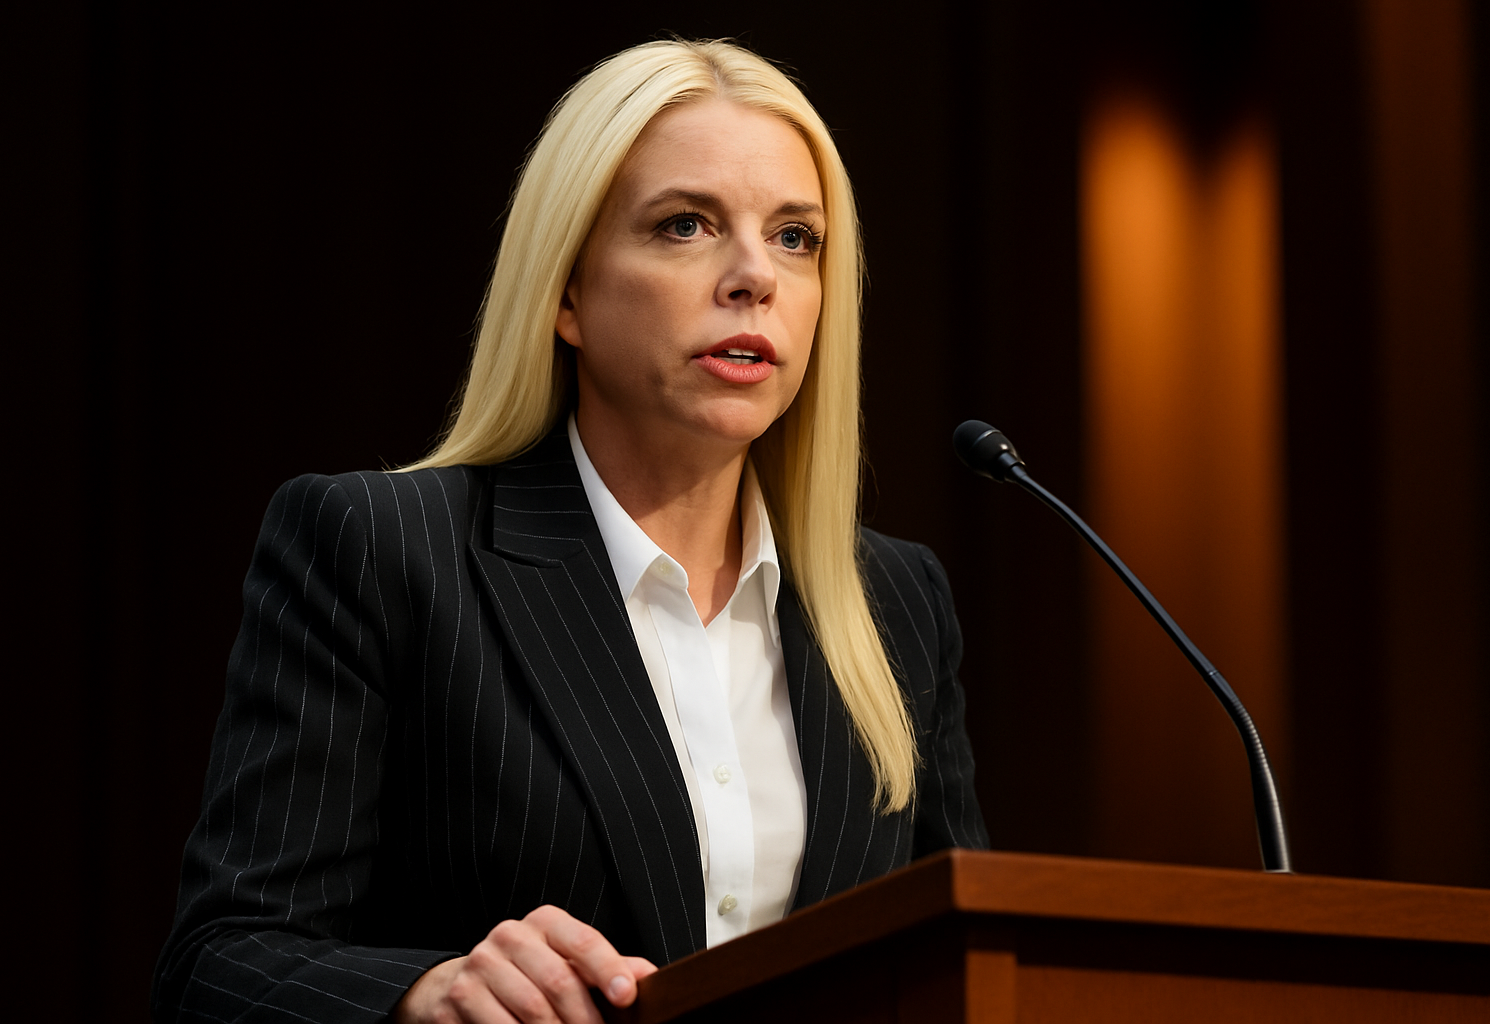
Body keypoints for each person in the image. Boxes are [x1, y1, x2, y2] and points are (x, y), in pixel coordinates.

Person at [153, 38, 987, 1024]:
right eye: (686, 225)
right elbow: (220, 963)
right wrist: (424, 993)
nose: (754, 276)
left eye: (796, 237)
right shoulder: (382, 550)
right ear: (567, 293)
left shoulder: (895, 603)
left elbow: (967, 963)